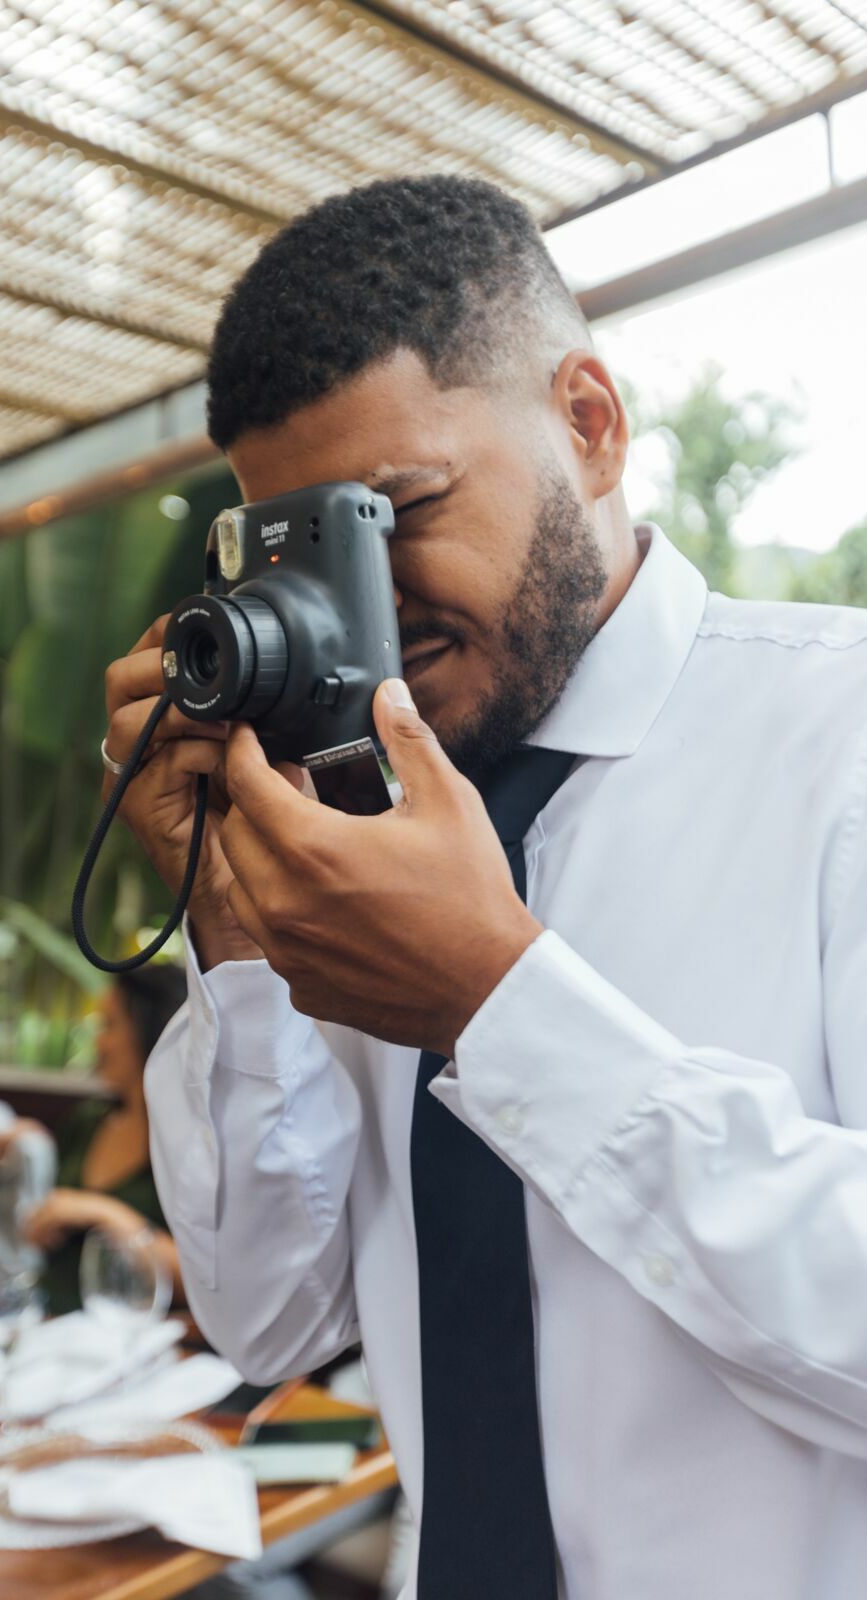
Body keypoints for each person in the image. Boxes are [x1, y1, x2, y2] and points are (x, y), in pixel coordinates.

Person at [102, 174, 867, 1600]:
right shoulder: (350, 820)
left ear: (587, 424)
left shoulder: (840, 744)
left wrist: (495, 1004)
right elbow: (268, 1322)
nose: (363, 611)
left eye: (396, 511)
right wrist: (234, 940)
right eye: (311, 556)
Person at [17, 966, 185, 1316]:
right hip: (53, 1326)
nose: (97, 1042)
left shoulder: (193, 1143)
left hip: (142, 1342)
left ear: (151, 1029)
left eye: (108, 1025)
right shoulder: (87, 1121)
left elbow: (208, 1283)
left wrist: (103, 1213)